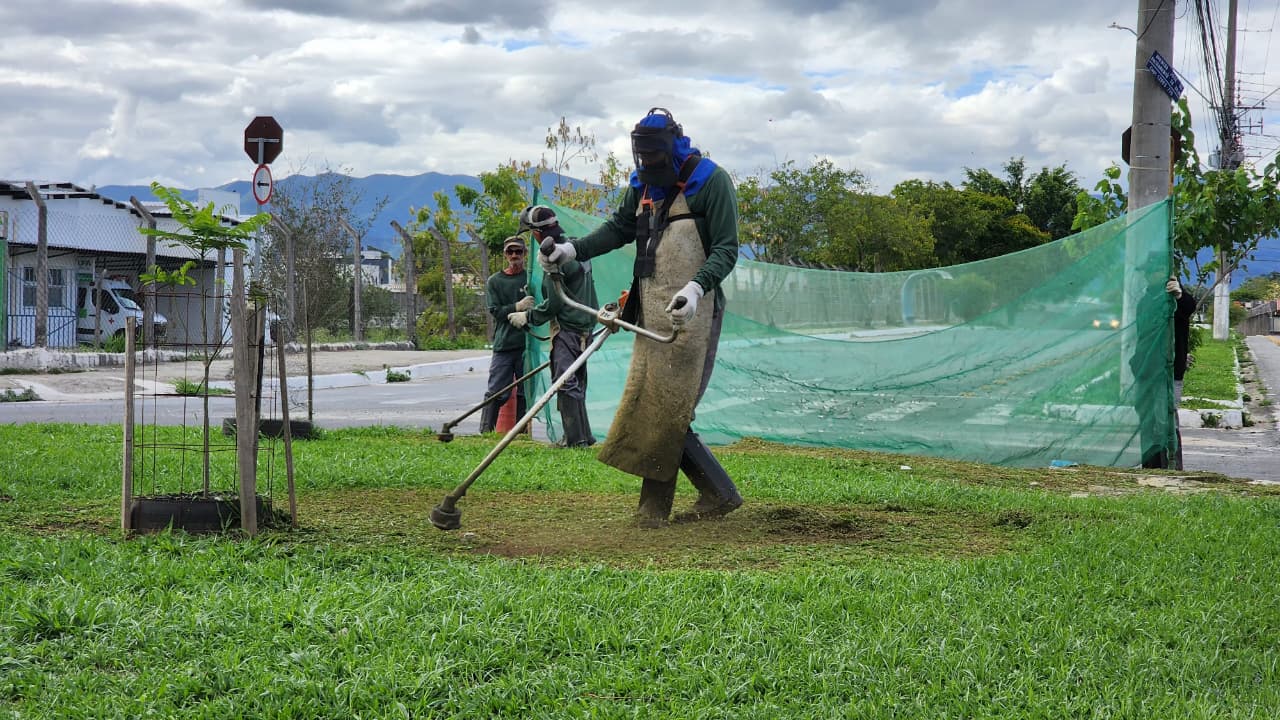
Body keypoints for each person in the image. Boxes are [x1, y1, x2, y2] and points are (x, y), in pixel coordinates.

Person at [539, 107, 743, 527]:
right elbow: (619, 228)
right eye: (643, 161)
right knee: (654, 405)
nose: (648, 168)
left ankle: (674, 505)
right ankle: (708, 496)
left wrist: (695, 287)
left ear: (673, 149)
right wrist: (573, 249)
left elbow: (726, 248)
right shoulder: (642, 186)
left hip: (693, 310)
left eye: (656, 161)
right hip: (650, 310)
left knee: (670, 408)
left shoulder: (711, 181)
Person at [508, 205, 600, 448]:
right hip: (585, 328)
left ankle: (575, 439)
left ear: (537, 233)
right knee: (576, 382)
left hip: (568, 328)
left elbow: (556, 302)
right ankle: (584, 436)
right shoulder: (574, 248)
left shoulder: (553, 258)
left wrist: (528, 317)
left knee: (564, 381)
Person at [479, 236, 535, 433]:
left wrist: (530, 313)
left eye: (518, 252)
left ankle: (521, 433)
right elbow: (495, 311)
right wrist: (516, 307)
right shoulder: (495, 281)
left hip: (528, 344)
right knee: (496, 390)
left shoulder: (531, 278)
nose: (514, 255)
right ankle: (486, 431)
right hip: (504, 344)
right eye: (510, 252)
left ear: (525, 254)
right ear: (505, 254)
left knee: (525, 392)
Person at [1169, 276, 1198, 470]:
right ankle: (1154, 465)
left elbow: (1188, 308)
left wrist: (1179, 295)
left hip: (1172, 372)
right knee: (1152, 423)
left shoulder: (1180, 299)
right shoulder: (1148, 298)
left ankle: (1172, 466)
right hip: (1149, 371)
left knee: (1170, 420)